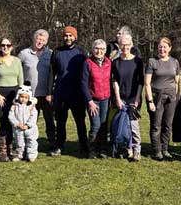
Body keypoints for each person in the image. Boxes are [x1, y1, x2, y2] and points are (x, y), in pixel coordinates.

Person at [49, 26, 89, 157]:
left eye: (70, 35)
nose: (68, 38)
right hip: (61, 92)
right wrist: (50, 92)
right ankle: (59, 145)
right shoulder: (57, 52)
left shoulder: (81, 52)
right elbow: (52, 73)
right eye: (66, 35)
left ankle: (84, 146)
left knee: (80, 121)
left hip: (77, 93)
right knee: (60, 122)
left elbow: (86, 73)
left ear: (75, 37)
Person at [19, 29, 55, 153]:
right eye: (39, 39)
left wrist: (51, 92)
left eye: (43, 40)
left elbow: (54, 73)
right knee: (29, 121)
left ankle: (52, 144)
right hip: (30, 96)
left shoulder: (50, 54)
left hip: (46, 95)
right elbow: (17, 72)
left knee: (49, 121)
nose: (40, 42)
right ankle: (27, 145)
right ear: (34, 38)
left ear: (46, 42)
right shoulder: (24, 54)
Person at [145, 37, 181, 160]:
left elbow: (176, 82)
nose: (162, 49)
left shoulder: (175, 62)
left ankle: (165, 149)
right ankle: (157, 150)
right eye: (160, 47)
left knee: (168, 125)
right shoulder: (152, 62)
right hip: (156, 98)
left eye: (165, 47)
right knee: (156, 125)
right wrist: (150, 101)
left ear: (170, 48)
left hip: (171, 98)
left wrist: (176, 97)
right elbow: (147, 83)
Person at [0, 37, 23, 162]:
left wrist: (19, 97)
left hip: (14, 94)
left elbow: (21, 80)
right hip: (1, 95)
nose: (5, 47)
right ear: (0, 47)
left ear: (11, 47)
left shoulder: (17, 61)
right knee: (4, 122)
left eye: (8, 45)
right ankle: (3, 152)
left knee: (13, 122)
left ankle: (11, 150)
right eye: (3, 45)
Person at [112, 34, 145, 161]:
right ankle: (127, 148)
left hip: (133, 98)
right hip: (121, 98)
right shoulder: (116, 62)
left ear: (131, 45)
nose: (125, 47)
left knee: (133, 125)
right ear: (119, 46)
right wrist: (117, 99)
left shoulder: (137, 61)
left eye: (127, 45)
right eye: (122, 45)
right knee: (123, 125)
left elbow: (141, 81)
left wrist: (137, 98)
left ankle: (137, 150)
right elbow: (115, 81)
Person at [81, 40, 113, 159]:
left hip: (105, 99)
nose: (99, 51)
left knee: (104, 125)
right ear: (92, 49)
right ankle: (92, 149)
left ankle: (103, 149)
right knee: (95, 125)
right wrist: (90, 102)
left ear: (105, 50)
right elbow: (83, 84)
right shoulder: (87, 63)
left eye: (102, 49)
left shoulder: (109, 63)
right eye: (97, 48)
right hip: (93, 100)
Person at [7, 85, 39, 162]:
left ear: (29, 98)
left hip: (30, 129)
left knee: (31, 142)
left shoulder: (32, 107)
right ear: (18, 96)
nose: (23, 99)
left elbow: (33, 117)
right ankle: (19, 155)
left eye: (25, 97)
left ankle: (31, 155)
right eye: (21, 97)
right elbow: (11, 116)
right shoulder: (14, 106)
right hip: (19, 128)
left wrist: (28, 125)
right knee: (19, 142)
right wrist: (17, 124)